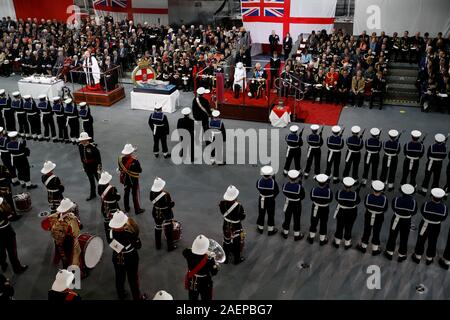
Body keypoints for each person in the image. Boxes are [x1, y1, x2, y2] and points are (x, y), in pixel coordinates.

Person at [109, 211, 147, 300]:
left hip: (117, 256)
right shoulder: (130, 233)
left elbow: (112, 244)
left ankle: (121, 294)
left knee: (119, 277)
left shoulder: (110, 232)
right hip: (130, 257)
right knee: (133, 279)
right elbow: (138, 246)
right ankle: (137, 297)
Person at [412, 188, 448, 265]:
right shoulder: (444, 208)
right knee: (433, 241)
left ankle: (418, 257)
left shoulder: (425, 205)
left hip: (425, 224)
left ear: (432, 196)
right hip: (436, 226)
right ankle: (429, 258)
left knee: (421, 240)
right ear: (441, 198)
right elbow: (443, 218)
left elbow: (422, 213)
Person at [384, 184, 417, 262]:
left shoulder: (396, 200)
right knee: (404, 237)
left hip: (396, 219)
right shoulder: (414, 202)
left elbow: (393, 208)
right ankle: (401, 255)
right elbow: (414, 212)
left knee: (392, 235)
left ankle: (389, 252)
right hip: (407, 220)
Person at [46, 198, 81, 270]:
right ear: (68, 209)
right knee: (73, 256)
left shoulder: (56, 215)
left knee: (64, 257)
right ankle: (73, 272)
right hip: (69, 242)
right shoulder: (72, 219)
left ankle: (65, 269)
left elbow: (47, 224)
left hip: (58, 241)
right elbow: (76, 233)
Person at [183, 235, 219, 300]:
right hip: (204, 282)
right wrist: (214, 261)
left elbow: (185, 252)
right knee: (206, 298)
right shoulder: (209, 259)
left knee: (192, 298)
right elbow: (214, 272)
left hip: (193, 280)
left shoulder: (188, 252)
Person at [357, 181, 388, 255]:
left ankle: (363, 247)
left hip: (369, 214)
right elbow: (385, 209)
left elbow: (366, 205)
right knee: (376, 232)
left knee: (366, 230)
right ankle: (375, 249)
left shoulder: (368, 196)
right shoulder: (384, 199)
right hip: (379, 216)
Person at [0, 197, 28, 274]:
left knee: (1, 251)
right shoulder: (4, 212)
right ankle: (17, 269)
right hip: (7, 232)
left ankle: (3, 264)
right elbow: (11, 217)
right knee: (12, 252)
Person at [219, 185, 246, 264]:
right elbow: (243, 217)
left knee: (226, 241)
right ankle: (237, 260)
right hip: (236, 227)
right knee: (237, 243)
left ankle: (226, 259)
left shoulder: (222, 203)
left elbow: (222, 212)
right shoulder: (239, 206)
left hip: (226, 225)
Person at [333, 177, 360, 249]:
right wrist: (356, 193)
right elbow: (357, 202)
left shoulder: (338, 193)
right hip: (351, 213)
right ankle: (347, 243)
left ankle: (337, 242)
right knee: (349, 227)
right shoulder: (355, 195)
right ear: (352, 186)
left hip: (341, 211)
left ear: (344, 185)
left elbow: (337, 199)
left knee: (339, 226)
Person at [150, 177, 176, 251]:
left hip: (156, 212)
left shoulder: (152, 192)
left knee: (158, 227)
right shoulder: (166, 194)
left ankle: (158, 245)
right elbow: (169, 205)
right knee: (168, 230)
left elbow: (151, 200)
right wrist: (172, 204)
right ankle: (170, 246)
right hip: (166, 214)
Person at [118, 144, 145, 215]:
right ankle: (137, 209)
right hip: (133, 180)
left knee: (126, 194)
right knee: (134, 194)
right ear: (131, 152)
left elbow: (120, 169)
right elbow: (140, 170)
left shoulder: (120, 159)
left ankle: (126, 208)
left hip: (125, 179)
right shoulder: (135, 161)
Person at [307, 174, 333, 245]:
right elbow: (330, 200)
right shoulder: (329, 191)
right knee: (323, 223)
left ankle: (311, 237)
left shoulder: (313, 190)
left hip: (316, 207)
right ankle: (322, 239)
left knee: (313, 222)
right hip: (325, 208)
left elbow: (312, 198)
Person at [281, 170, 306, 241]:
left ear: (289, 177)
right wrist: (300, 186)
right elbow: (302, 196)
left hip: (288, 203)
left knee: (287, 218)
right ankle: (296, 235)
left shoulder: (285, 185)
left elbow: (284, 193)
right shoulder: (299, 187)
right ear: (297, 178)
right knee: (297, 219)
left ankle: (285, 233)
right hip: (297, 204)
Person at [78, 132, 102, 201]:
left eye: (82, 140)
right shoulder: (80, 146)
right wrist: (84, 165)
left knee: (100, 181)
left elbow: (98, 159)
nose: (81, 141)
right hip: (87, 167)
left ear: (86, 140)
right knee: (91, 181)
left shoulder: (93, 148)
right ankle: (93, 194)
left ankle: (103, 194)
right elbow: (81, 156)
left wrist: (99, 169)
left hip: (94, 167)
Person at [256, 166, 279, 235]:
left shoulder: (259, 181)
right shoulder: (273, 182)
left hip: (262, 199)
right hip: (270, 199)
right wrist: (272, 197)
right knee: (271, 214)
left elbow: (258, 188)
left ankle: (260, 228)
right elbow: (277, 191)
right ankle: (270, 229)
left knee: (261, 213)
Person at [98, 171, 120, 243]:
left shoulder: (99, 187)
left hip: (104, 207)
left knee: (106, 221)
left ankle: (109, 239)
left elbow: (99, 194)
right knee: (115, 222)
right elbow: (118, 198)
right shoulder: (112, 189)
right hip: (113, 207)